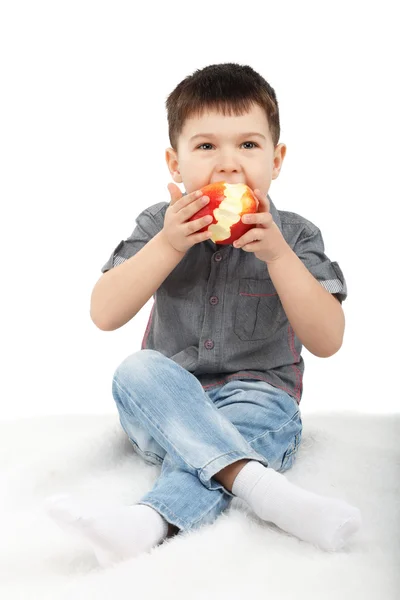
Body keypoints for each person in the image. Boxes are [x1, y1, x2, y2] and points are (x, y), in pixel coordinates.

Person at [44, 63, 362, 568]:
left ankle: (146, 522)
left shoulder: (296, 236)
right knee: (135, 369)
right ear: (175, 162)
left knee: (242, 420)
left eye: (249, 146)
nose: (228, 164)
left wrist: (279, 258)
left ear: (277, 160)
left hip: (258, 399)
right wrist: (168, 244)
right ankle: (262, 487)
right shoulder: (157, 224)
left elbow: (328, 340)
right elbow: (104, 314)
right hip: (166, 402)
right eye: (207, 146)